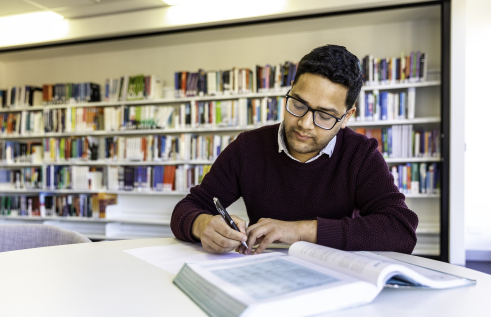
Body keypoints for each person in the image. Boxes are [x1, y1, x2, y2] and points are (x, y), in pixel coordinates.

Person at [170, 44, 418, 255]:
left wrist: (297, 230)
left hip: (336, 280)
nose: (304, 123)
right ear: (290, 90)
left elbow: (401, 229)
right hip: (263, 275)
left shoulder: (360, 154)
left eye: (324, 115)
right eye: (298, 104)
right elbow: (189, 207)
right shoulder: (248, 148)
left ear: (347, 116)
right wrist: (203, 225)